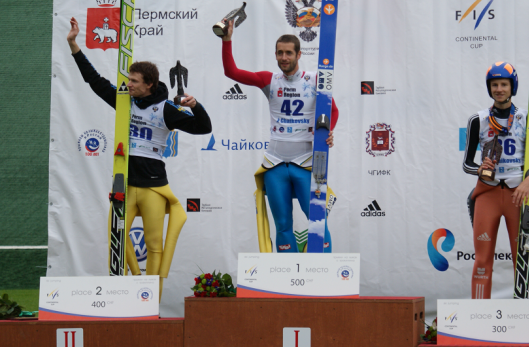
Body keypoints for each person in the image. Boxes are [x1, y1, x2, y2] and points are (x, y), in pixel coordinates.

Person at [67, 17, 212, 297]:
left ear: (150, 84)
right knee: (117, 241)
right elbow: (94, 81)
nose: (128, 84)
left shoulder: (167, 109)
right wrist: (74, 45)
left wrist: (196, 106)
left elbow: (203, 128)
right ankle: (127, 291)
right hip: (123, 185)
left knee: (155, 247)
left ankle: (151, 300)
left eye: (134, 81)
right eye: (128, 80)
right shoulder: (124, 100)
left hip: (153, 188)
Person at [220, 20, 338, 253]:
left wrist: (328, 131)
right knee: (282, 225)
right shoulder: (269, 80)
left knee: (317, 221)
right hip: (274, 164)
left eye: (289, 53)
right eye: (280, 53)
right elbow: (231, 72)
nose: (284, 57)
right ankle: (287, 272)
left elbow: (332, 111)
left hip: (306, 163)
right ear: (275, 54)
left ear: (299, 54)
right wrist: (227, 40)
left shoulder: (315, 79)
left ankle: (324, 271)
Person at [463, 61, 529, 299]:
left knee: (523, 260)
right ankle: (479, 314)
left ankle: (524, 314)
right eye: (494, 85)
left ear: (512, 86)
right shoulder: (478, 119)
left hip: (520, 195)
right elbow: (467, 163)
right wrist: (480, 170)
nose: (499, 89)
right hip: (488, 194)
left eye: (504, 84)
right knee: (482, 260)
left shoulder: (527, 118)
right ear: (489, 88)